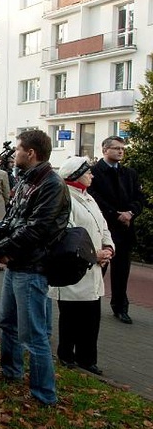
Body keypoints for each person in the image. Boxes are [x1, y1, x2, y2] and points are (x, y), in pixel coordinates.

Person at [0, 130, 70, 406]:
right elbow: (11, 219)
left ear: (30, 153)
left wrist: (3, 249)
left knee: (34, 335)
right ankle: (10, 371)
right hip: (18, 266)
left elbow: (38, 229)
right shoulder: (25, 181)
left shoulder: (51, 184)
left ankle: (43, 395)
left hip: (33, 269)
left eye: (18, 149)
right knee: (7, 323)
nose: (14, 154)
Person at [50, 157, 114, 375]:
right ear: (76, 175)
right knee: (71, 317)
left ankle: (87, 359)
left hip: (94, 268)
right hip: (73, 271)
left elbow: (102, 225)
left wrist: (108, 248)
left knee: (91, 317)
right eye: (88, 172)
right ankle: (66, 356)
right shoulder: (65, 199)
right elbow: (68, 235)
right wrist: (93, 255)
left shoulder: (89, 198)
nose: (92, 175)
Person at [88, 136, 147, 324]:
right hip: (105, 230)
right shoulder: (94, 172)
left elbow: (140, 198)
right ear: (105, 150)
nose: (121, 151)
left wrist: (130, 213)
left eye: (123, 148)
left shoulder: (129, 173)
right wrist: (115, 214)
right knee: (99, 270)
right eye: (116, 148)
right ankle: (91, 304)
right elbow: (94, 198)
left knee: (122, 272)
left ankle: (120, 307)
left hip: (125, 230)